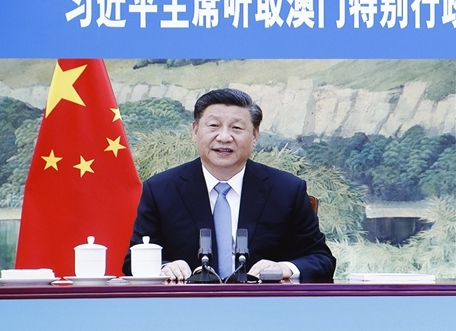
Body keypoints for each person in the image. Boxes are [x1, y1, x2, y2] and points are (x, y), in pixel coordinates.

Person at [123, 88, 336, 282]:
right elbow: (132, 261)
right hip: (187, 305)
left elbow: (321, 259)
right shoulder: (161, 190)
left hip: (262, 306)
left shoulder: (286, 190)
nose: (224, 137)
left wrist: (284, 268)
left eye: (236, 128)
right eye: (214, 126)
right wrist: (164, 267)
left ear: (254, 136)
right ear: (195, 131)